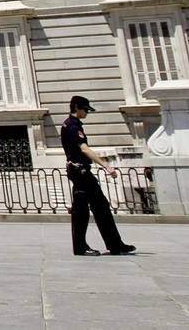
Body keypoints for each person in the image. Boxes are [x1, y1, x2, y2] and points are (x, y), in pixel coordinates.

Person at [62, 95, 136, 256]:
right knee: (91, 209)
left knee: (93, 208)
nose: (86, 113)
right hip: (80, 171)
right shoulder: (73, 126)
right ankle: (97, 245)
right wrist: (106, 166)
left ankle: (113, 244)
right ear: (76, 108)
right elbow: (85, 149)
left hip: (79, 171)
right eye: (85, 110)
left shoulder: (70, 124)